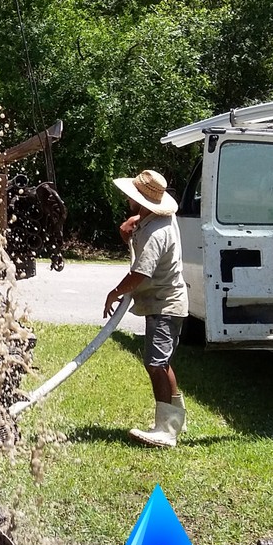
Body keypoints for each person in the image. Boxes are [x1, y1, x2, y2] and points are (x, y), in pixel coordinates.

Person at [103, 169, 188, 448]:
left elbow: (141, 273)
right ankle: (176, 419)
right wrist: (136, 220)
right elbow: (149, 218)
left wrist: (114, 292)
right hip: (162, 302)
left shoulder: (155, 233)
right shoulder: (157, 218)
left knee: (156, 363)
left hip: (166, 304)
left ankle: (166, 430)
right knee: (161, 361)